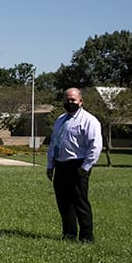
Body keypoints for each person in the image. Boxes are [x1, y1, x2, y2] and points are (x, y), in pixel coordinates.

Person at [46, 88, 102, 242]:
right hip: (60, 165)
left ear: (80, 101)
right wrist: (50, 165)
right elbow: (54, 143)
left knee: (80, 202)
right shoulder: (60, 119)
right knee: (64, 202)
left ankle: (86, 237)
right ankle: (69, 234)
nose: (69, 102)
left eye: (73, 100)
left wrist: (85, 167)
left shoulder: (89, 121)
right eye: (67, 100)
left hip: (78, 165)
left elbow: (95, 146)